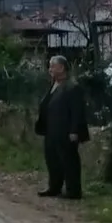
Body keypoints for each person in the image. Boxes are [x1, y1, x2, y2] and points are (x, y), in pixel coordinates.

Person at [33, 56, 90, 200]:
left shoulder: (72, 87)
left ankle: (73, 191)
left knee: (69, 161)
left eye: (52, 66)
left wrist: (74, 131)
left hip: (65, 132)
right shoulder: (53, 85)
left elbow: (77, 111)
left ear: (62, 68)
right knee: (52, 160)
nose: (49, 69)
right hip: (51, 130)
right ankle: (54, 187)